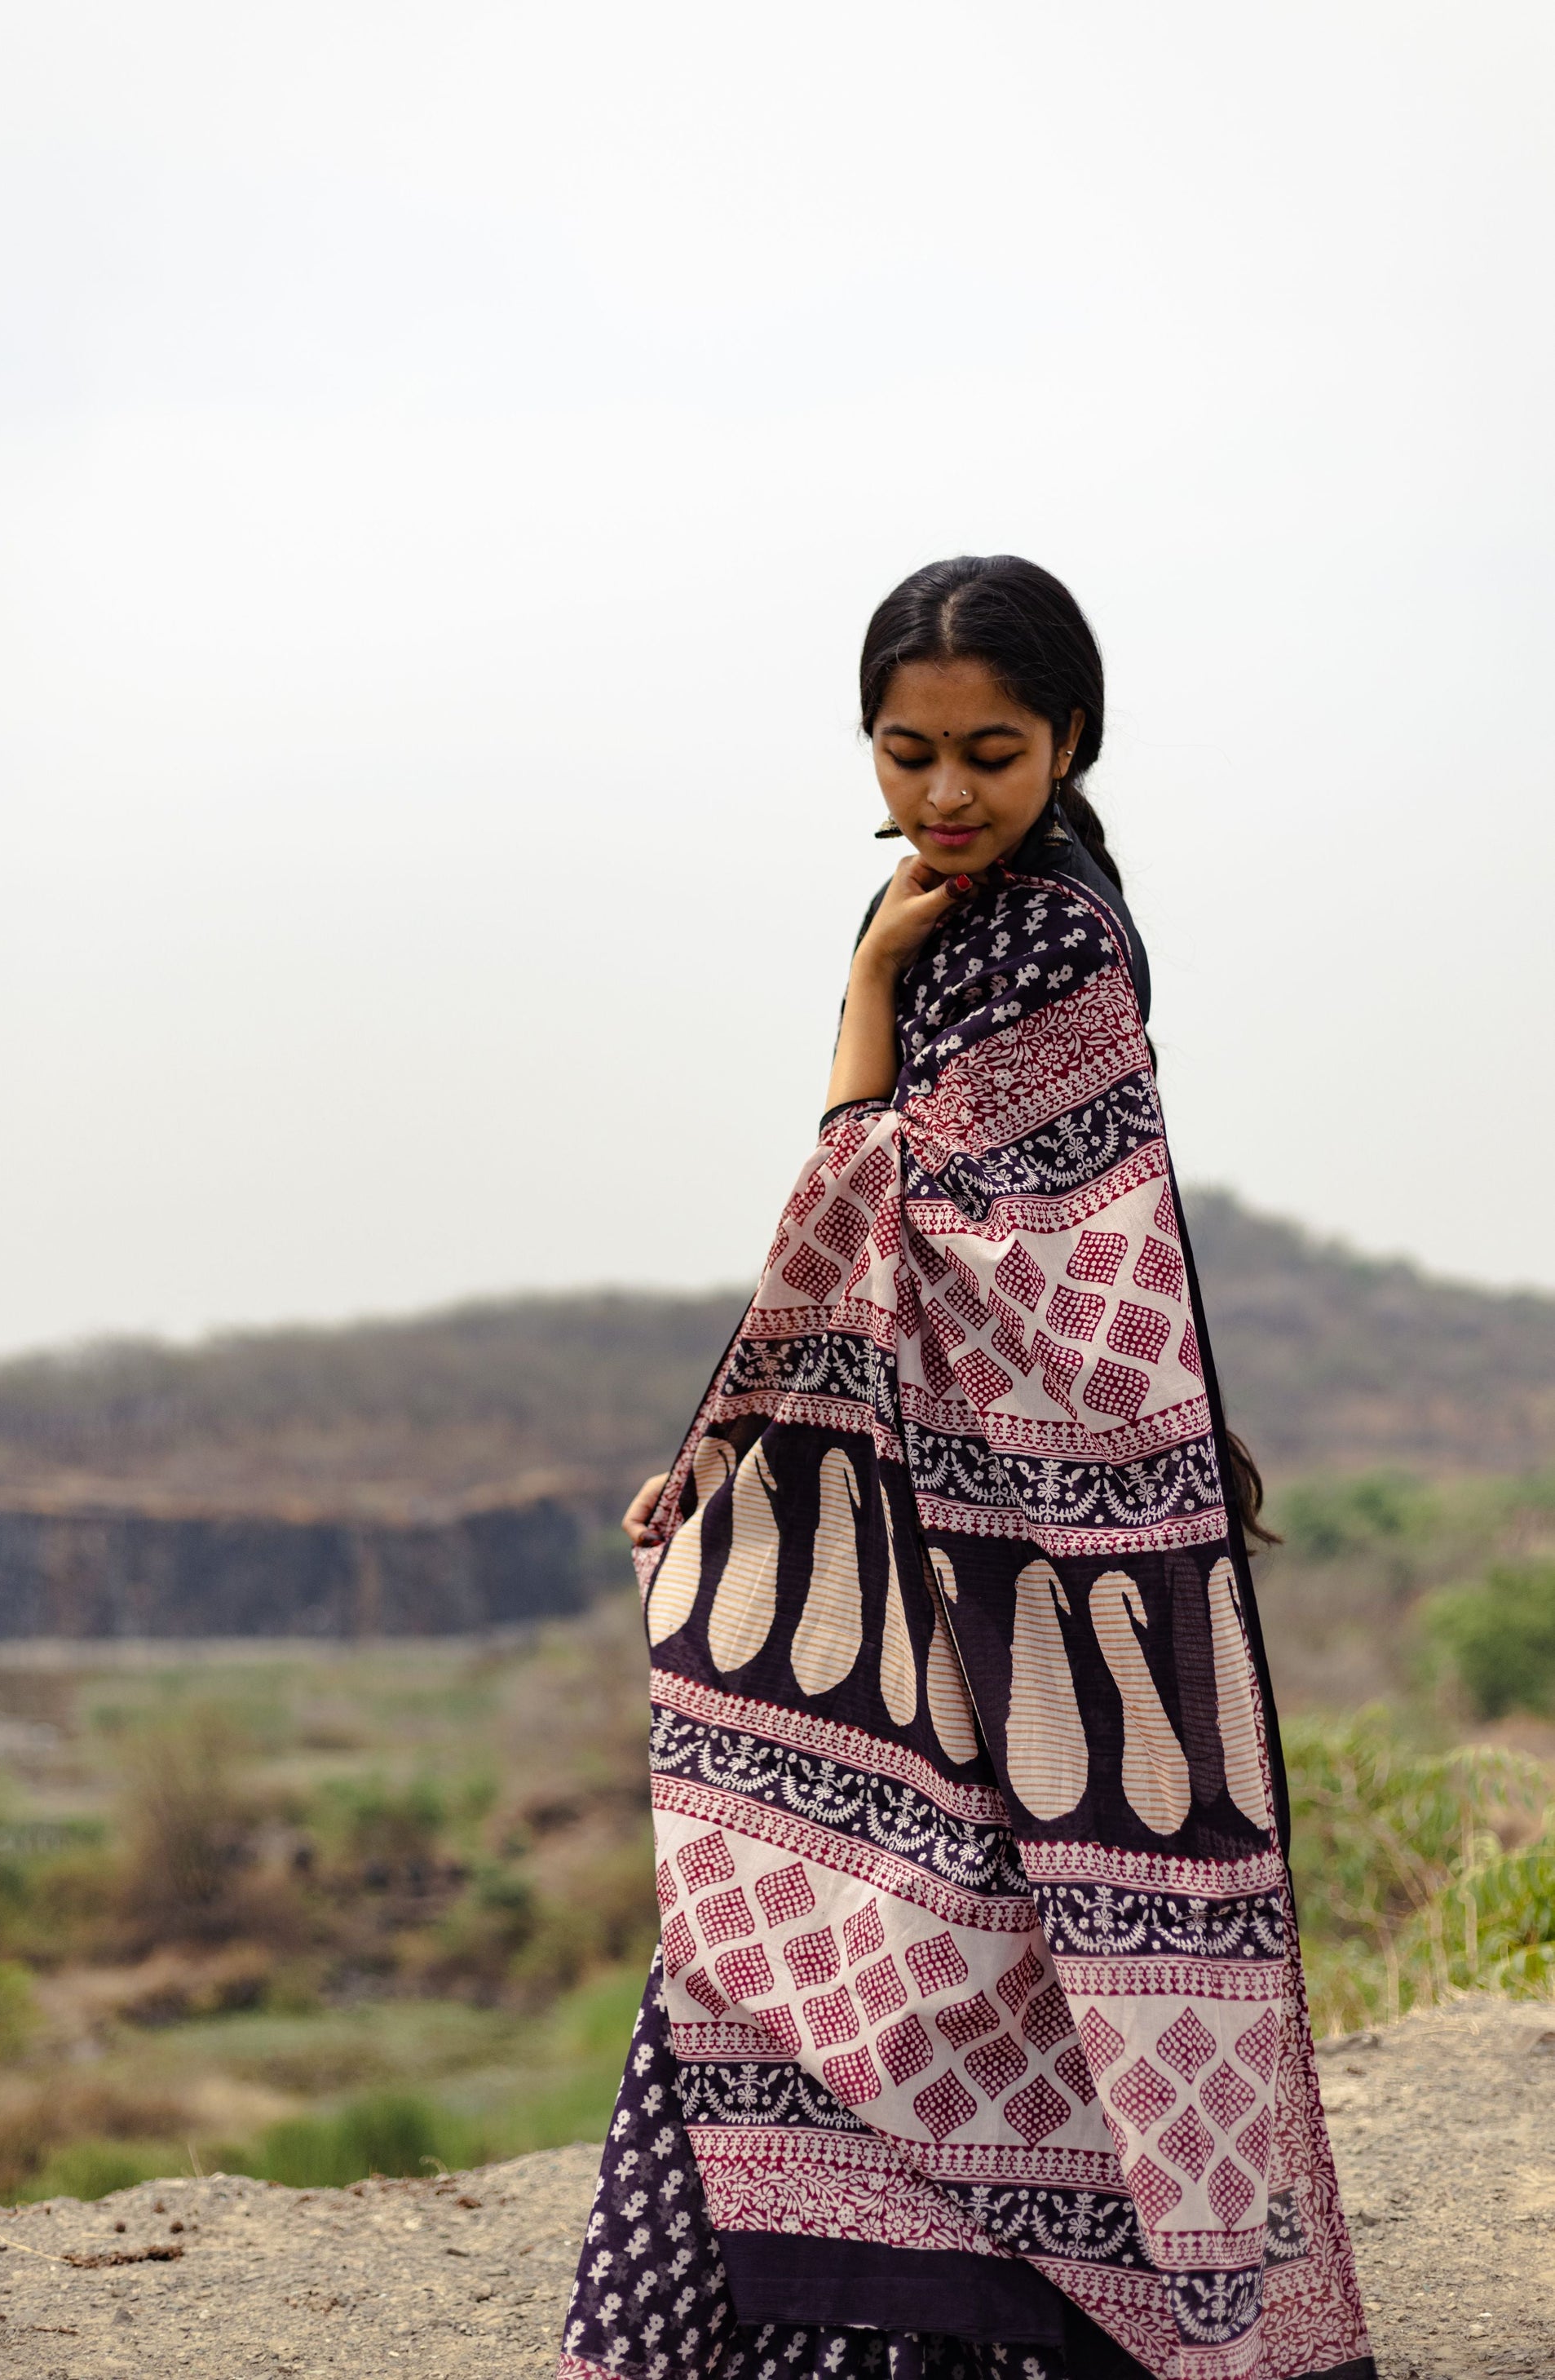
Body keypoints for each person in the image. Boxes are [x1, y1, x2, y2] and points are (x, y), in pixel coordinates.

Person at [559, 557, 1373, 2380]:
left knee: (950, 1907)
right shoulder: (949, 902)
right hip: (933, 1503)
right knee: (862, 1898)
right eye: (907, 750)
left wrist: (863, 990)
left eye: (988, 752)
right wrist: (727, 1440)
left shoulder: (1046, 937)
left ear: (1068, 738)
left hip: (1023, 1530)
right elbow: (878, 1226)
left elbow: (925, 1210)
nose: (941, 795)